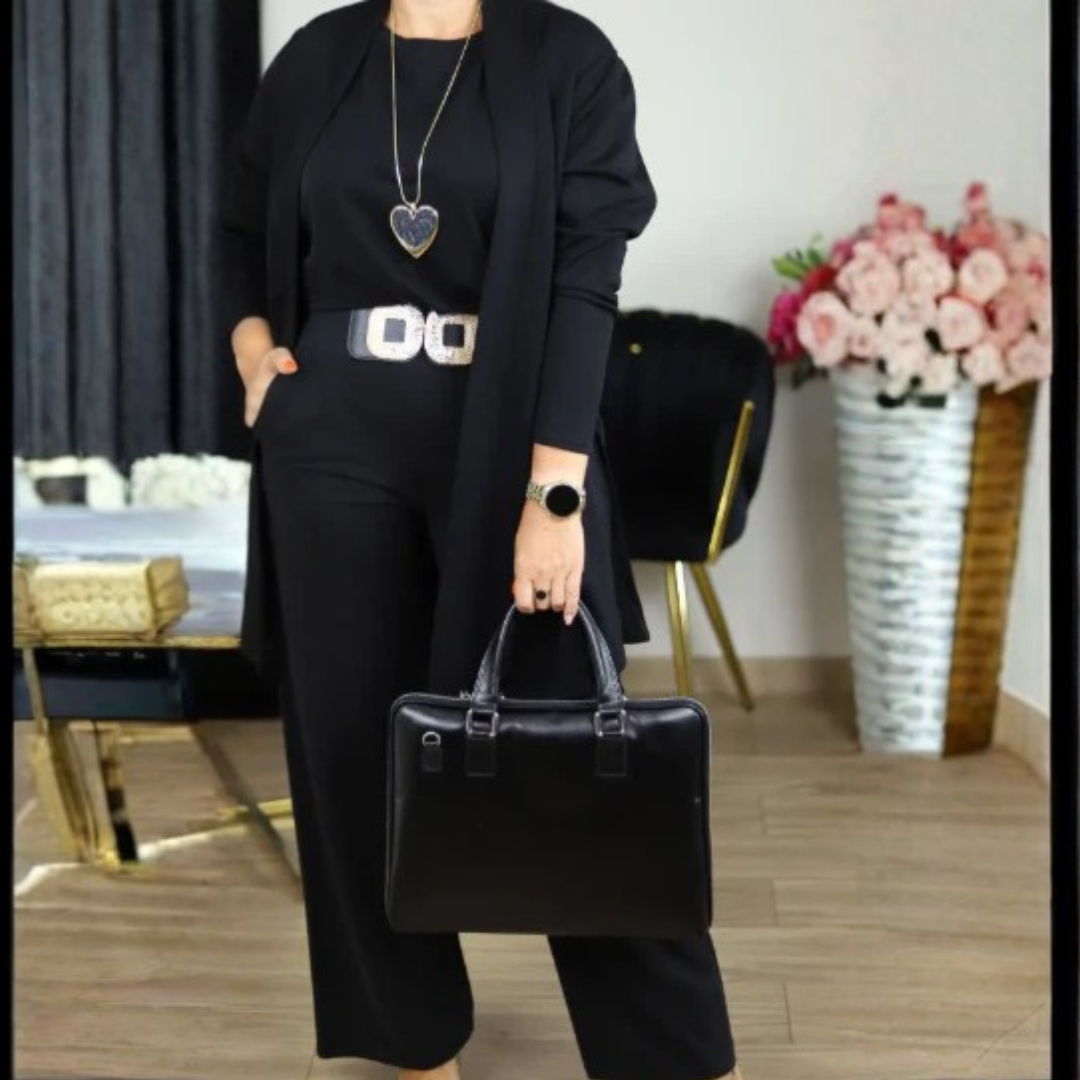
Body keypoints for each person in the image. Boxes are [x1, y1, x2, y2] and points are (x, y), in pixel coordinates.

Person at [222, 1, 741, 1078]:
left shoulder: (568, 60)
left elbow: (585, 284)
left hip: (510, 437)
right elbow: (239, 225)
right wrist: (256, 354)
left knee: (572, 750)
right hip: (333, 436)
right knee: (353, 754)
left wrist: (554, 494)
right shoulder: (318, 57)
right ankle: (411, 1047)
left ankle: (670, 1057)